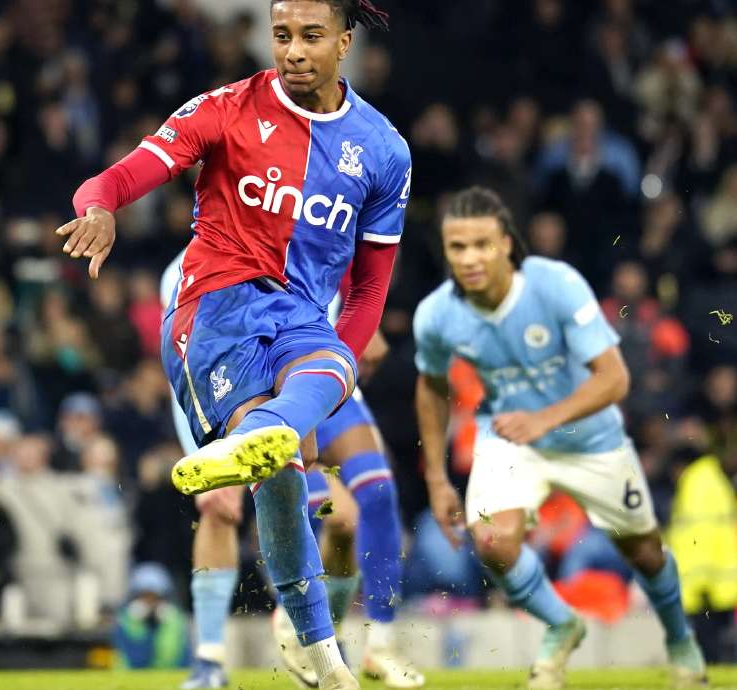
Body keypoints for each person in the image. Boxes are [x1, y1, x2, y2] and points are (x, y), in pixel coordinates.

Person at [60, 1, 407, 687]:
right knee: (279, 475)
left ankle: (324, 654)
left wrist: (328, 382)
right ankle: (288, 654)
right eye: (282, 36)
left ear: (344, 43)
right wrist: (97, 208)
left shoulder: (385, 149)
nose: (295, 51)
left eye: (311, 37)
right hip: (213, 311)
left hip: (301, 321)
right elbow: (122, 175)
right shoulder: (223, 109)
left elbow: (368, 291)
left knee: (330, 371)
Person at [412, 187, 706, 690]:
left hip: (590, 437)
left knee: (645, 551)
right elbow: (432, 386)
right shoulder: (437, 314)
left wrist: (546, 419)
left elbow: (614, 378)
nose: (469, 258)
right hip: (513, 436)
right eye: (457, 247)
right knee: (492, 541)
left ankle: (680, 641)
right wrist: (438, 478)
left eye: (481, 244)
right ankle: (561, 625)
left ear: (506, 244)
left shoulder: (556, 284)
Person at [160, 249, 421, 689]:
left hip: (314, 374)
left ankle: (362, 642)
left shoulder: (303, 219)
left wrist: (361, 316)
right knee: (224, 509)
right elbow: (183, 366)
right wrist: (201, 447)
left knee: (366, 503)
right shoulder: (187, 267)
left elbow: (345, 272)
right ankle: (211, 660)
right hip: (246, 389)